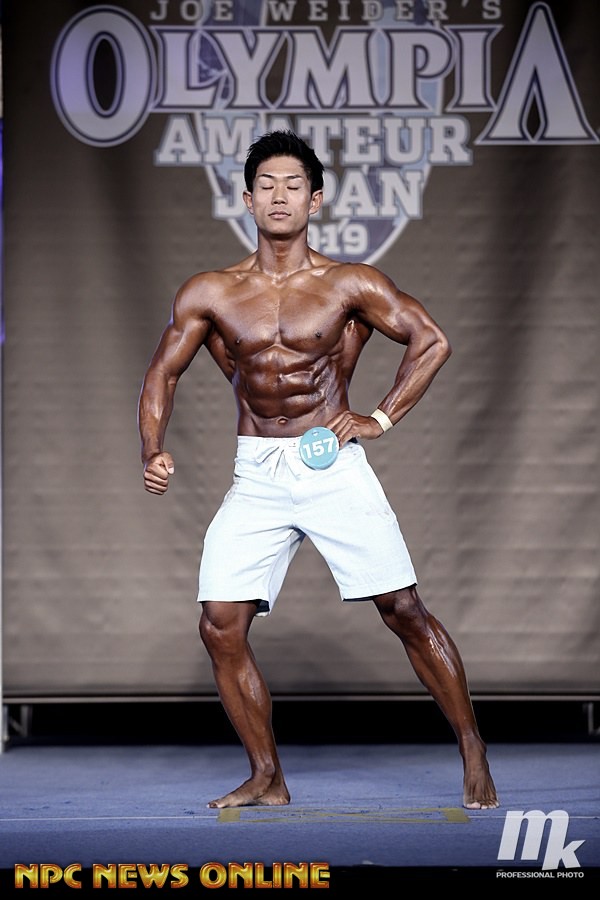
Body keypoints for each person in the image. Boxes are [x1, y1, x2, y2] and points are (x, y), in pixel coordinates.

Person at [138, 130, 499, 811]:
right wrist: (151, 446)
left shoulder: (348, 283)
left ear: (315, 199)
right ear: (247, 199)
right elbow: (163, 371)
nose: (279, 196)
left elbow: (431, 340)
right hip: (258, 471)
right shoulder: (211, 291)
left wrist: (379, 417)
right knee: (219, 622)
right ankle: (267, 776)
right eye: (266, 185)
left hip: (332, 464)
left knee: (403, 609)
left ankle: (472, 746)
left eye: (293, 185)